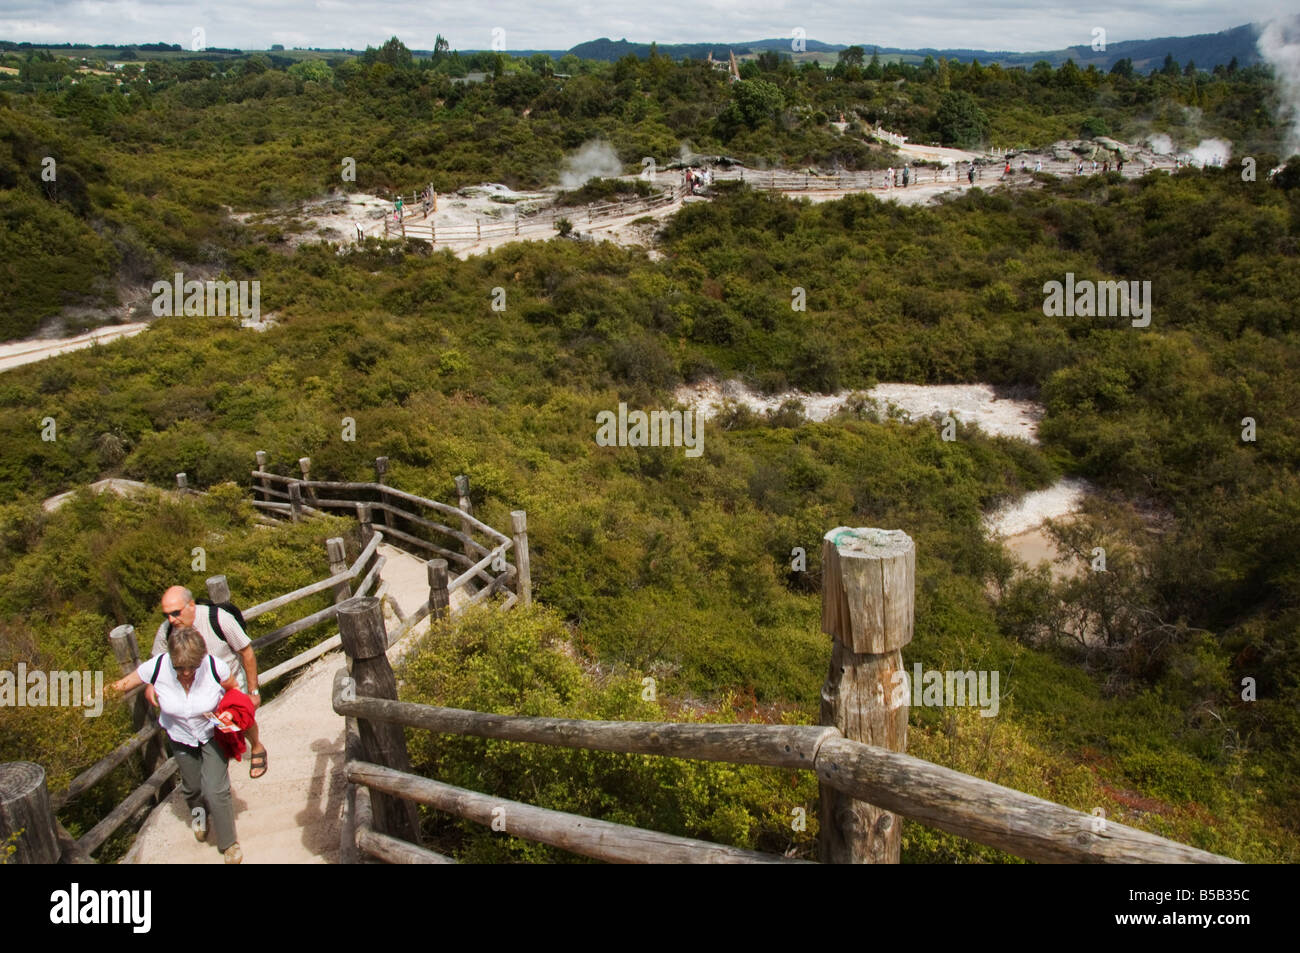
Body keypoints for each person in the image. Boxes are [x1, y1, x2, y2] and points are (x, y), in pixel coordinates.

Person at [111, 627, 244, 864]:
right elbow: (124, 684)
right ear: (170, 660)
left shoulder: (214, 666)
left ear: (201, 659)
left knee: (215, 790)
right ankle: (199, 817)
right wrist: (92, 698)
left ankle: (229, 843)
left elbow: (234, 690)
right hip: (179, 736)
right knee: (192, 788)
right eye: (179, 668)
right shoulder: (158, 666)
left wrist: (231, 714)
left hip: (211, 733)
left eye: (192, 667)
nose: (185, 673)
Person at [151, 587, 267, 779]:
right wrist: (151, 685)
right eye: (167, 615)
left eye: (175, 613)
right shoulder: (166, 630)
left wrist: (253, 691)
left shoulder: (219, 619)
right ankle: (218, 770)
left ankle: (256, 746)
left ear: (191, 606)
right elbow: (157, 662)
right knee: (214, 727)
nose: (171, 619)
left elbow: (246, 652)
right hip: (195, 689)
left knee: (242, 721)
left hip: (229, 683)